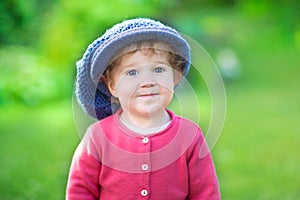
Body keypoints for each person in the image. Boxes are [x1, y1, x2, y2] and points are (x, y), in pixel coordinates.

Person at [66, 17, 220, 200]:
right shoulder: (98, 137)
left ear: (176, 77)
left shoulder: (190, 136)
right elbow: (80, 191)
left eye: (158, 70)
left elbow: (205, 193)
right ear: (112, 86)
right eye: (132, 72)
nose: (147, 82)